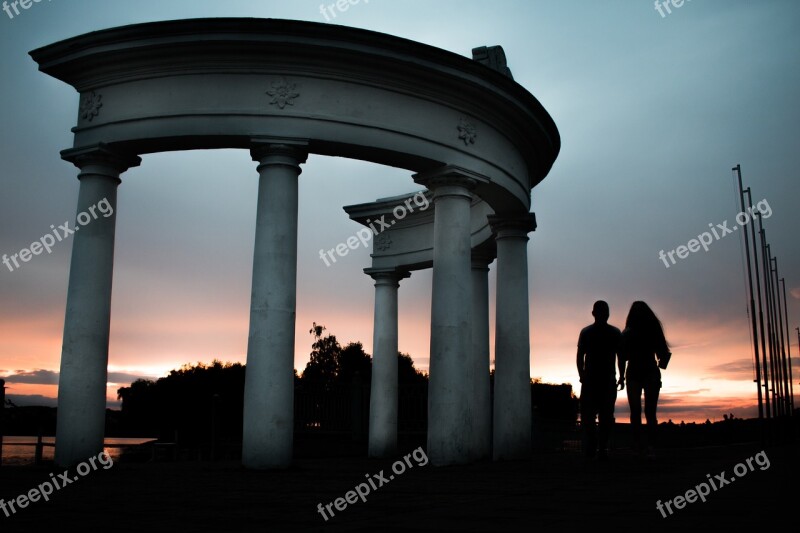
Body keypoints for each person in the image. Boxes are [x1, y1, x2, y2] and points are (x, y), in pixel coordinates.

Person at [619, 301, 671, 458]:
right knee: (649, 412)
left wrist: (621, 376)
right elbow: (663, 353)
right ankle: (650, 447)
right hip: (649, 372)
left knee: (636, 412)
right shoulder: (653, 331)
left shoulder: (627, 333)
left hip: (635, 372)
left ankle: (639, 446)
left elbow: (622, 357)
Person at [576, 300, 623, 460]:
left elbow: (580, 355)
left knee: (591, 416)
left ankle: (596, 446)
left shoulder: (586, 332)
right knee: (604, 415)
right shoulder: (615, 333)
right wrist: (621, 376)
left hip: (593, 380)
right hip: (603, 380)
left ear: (593, 313)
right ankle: (600, 448)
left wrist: (582, 374)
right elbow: (621, 357)